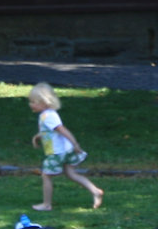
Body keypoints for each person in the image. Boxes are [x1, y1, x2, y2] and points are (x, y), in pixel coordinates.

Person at [28, 82, 103, 212]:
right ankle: (95, 191)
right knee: (70, 173)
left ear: (45, 102)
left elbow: (62, 130)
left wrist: (75, 144)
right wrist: (38, 137)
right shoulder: (47, 115)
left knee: (46, 175)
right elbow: (49, 132)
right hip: (66, 150)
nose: (31, 104)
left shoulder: (48, 116)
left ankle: (46, 204)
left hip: (57, 152)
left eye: (34, 102)